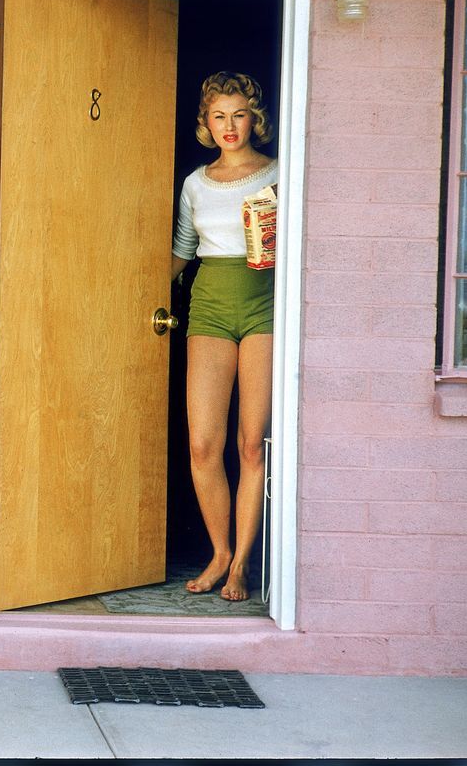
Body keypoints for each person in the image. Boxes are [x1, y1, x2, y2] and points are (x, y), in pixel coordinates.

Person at [170, 71, 277, 602]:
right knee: (203, 443)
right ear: (206, 123)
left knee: (250, 443)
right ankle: (220, 554)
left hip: (266, 305)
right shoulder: (195, 183)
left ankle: (242, 567)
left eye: (239, 114)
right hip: (209, 304)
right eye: (219, 116)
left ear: (253, 118)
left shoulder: (280, 173)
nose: (229, 126)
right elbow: (181, 252)